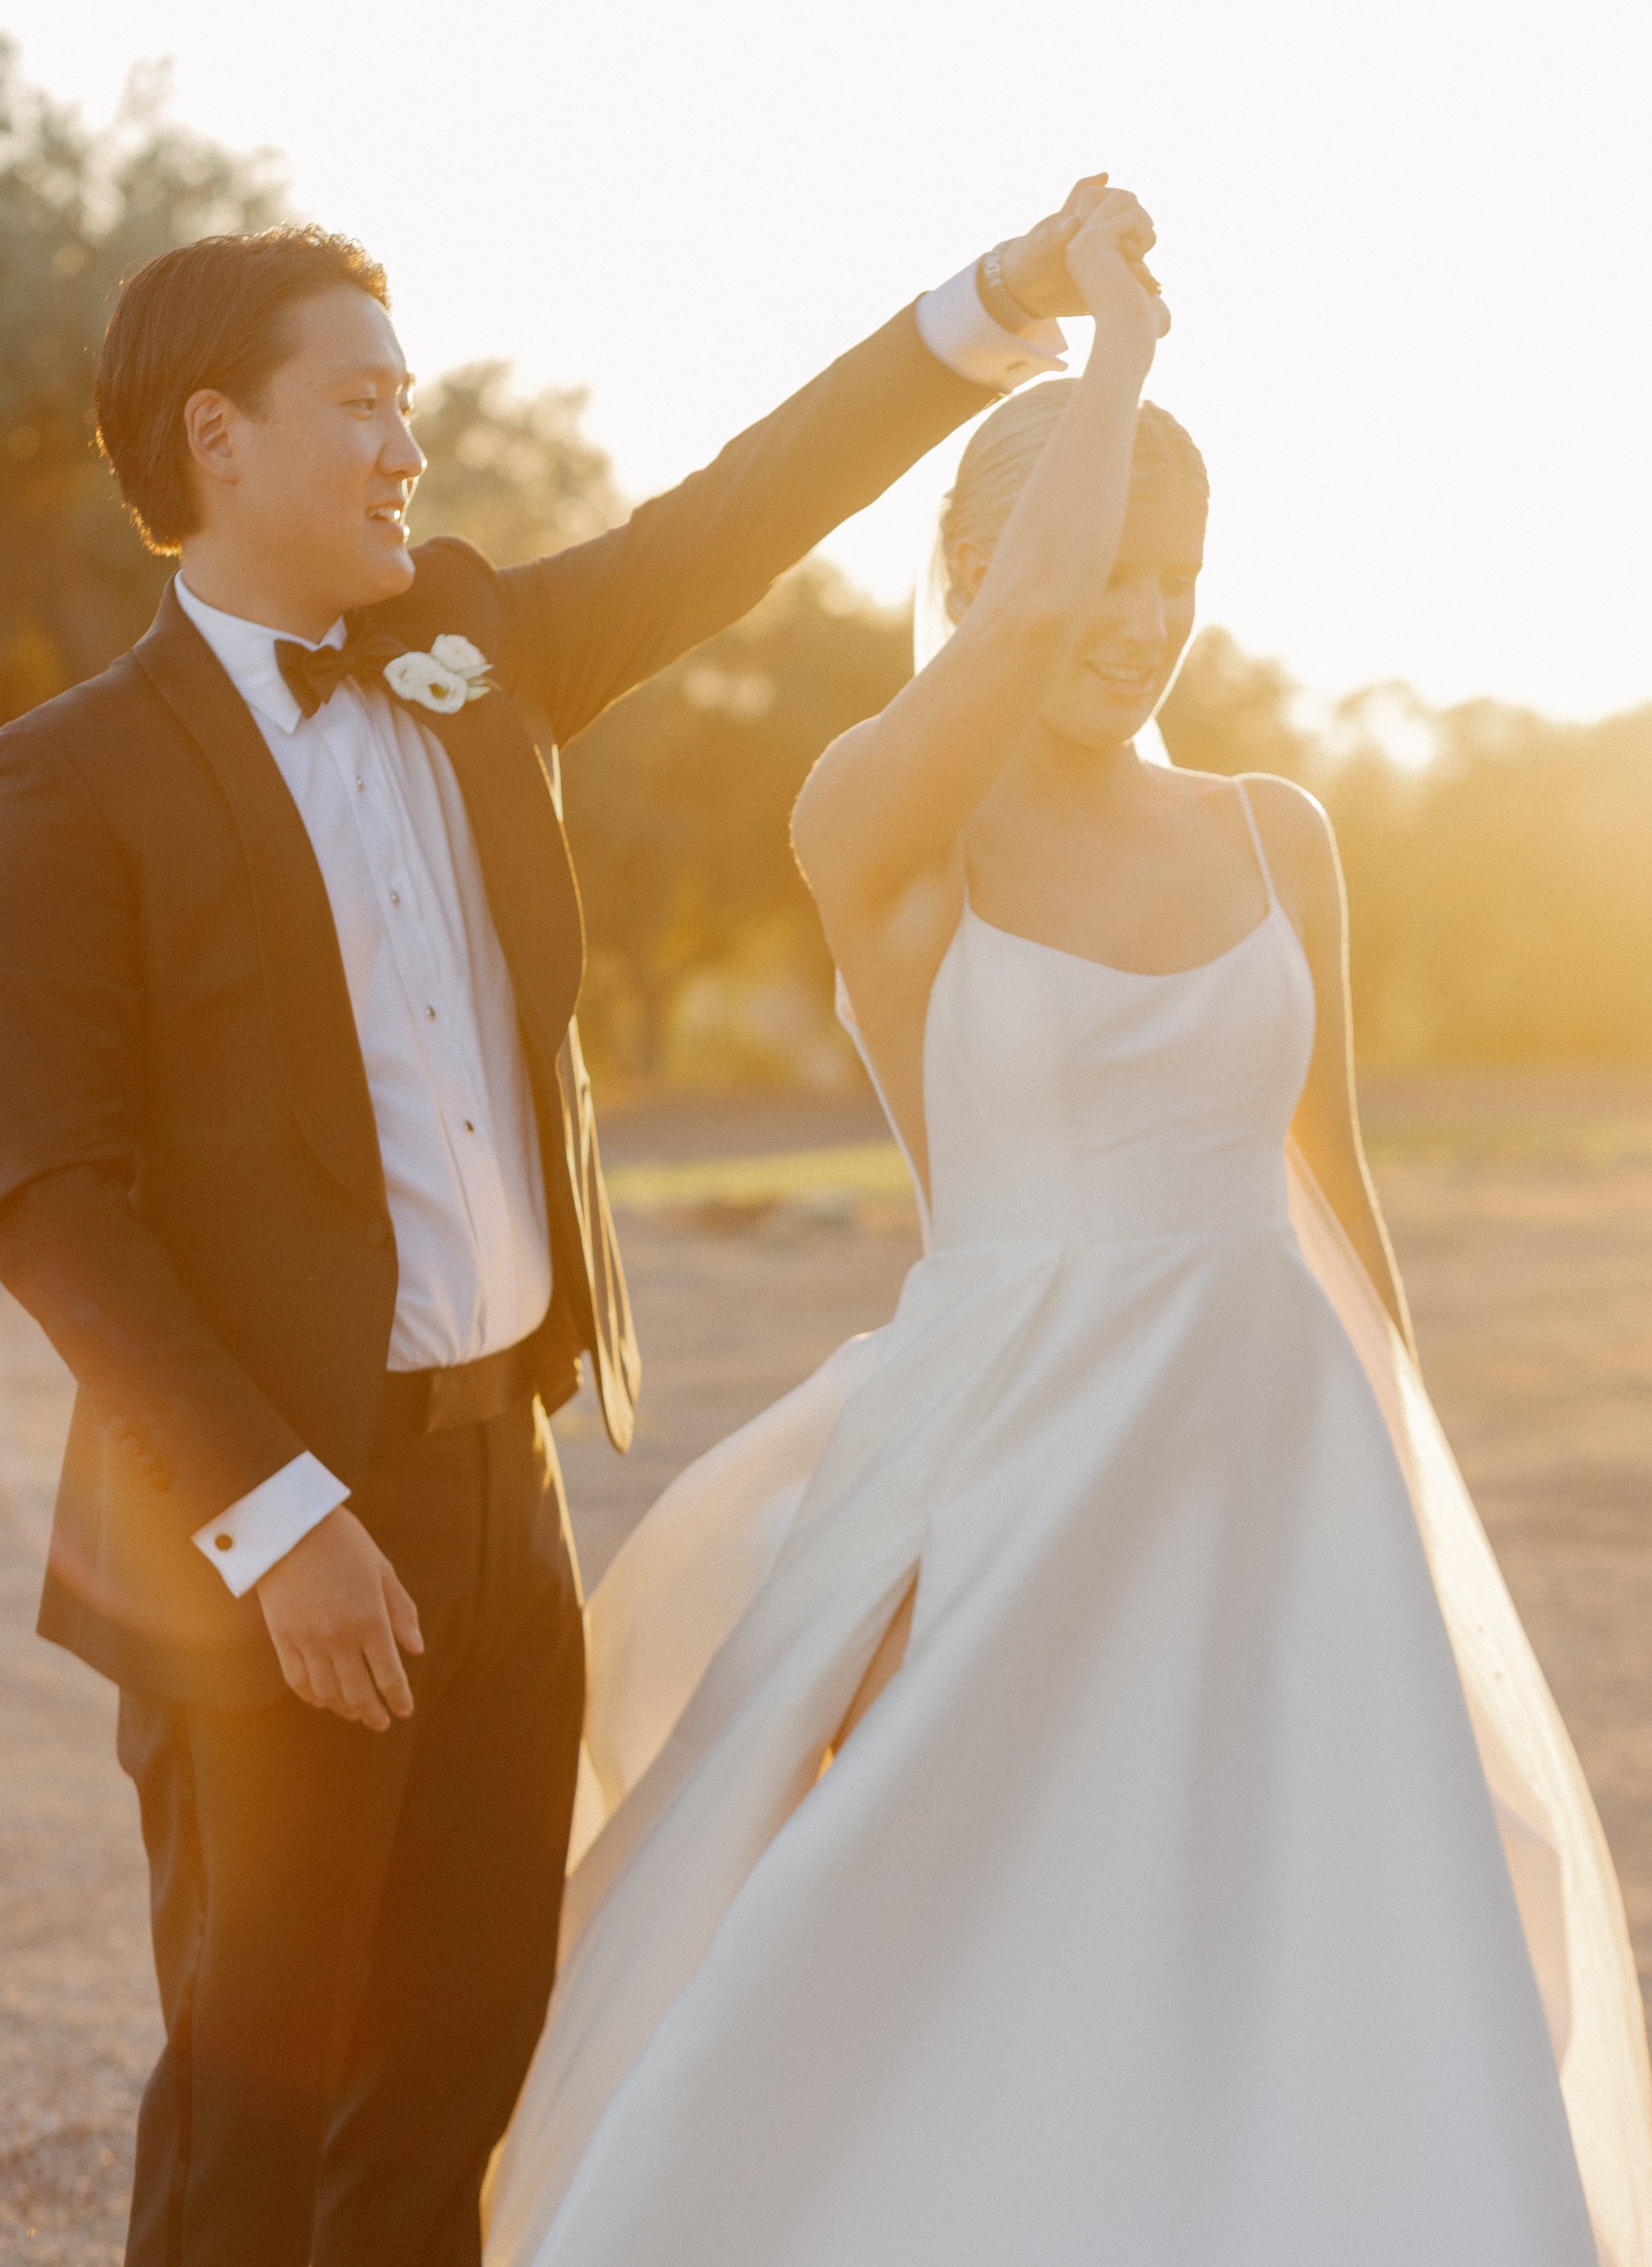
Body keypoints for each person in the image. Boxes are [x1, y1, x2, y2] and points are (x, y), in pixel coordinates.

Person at [481, 188, 1652, 2264]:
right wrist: (1107, 345)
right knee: (967, 1914)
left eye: (1176, 584)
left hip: (1276, 1467)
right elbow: (1015, 647)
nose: (1134, 625)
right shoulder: (880, 824)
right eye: (1098, 575)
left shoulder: (1275, 834)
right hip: (1015, 1448)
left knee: (1293, 1940)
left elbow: (1335, 1189)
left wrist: (1406, 1504)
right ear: (981, 576)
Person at [0, 184, 1113, 2266]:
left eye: (409, 396)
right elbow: (50, 1201)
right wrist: (276, 1522)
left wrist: (994, 305)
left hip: (508, 1516)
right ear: (217, 441)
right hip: (262, 1549)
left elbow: (731, 517)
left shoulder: (474, 650)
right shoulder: (66, 784)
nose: (407, 441)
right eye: (362, 401)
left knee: (452, 2099)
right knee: (257, 2128)